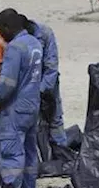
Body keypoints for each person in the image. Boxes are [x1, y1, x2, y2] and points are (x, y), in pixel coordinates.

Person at [0, 8, 44, 188]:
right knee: (30, 153)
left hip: (14, 109)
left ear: (7, 27)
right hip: (32, 106)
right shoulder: (34, 43)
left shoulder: (15, 48)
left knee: (11, 153)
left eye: (0, 29)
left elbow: (7, 84)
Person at [21, 15, 67, 148]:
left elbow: (51, 68)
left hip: (47, 88)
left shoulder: (45, 33)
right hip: (28, 88)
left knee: (55, 123)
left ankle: (61, 156)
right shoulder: (16, 37)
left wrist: (39, 92)